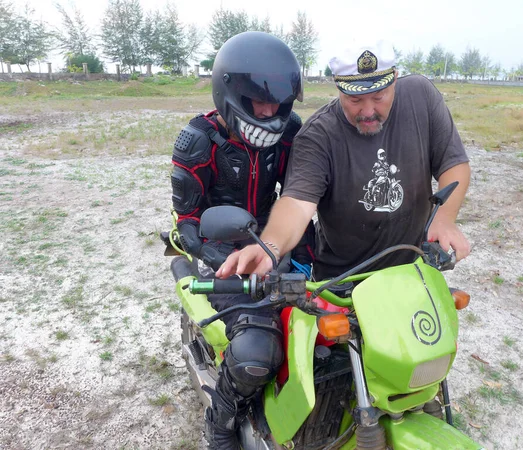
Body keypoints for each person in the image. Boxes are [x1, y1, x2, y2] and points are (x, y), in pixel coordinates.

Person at [217, 39, 471, 283]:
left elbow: (453, 163)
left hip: (412, 272)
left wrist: (445, 218)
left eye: (379, 96)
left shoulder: (421, 97)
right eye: (355, 100)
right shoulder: (317, 136)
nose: (369, 111)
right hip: (341, 282)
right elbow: (297, 202)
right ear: (339, 88)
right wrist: (270, 245)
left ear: (394, 79)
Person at [170, 31, 313, 449]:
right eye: (258, 102)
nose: (270, 111)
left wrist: (301, 253)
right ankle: (219, 426)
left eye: (278, 102)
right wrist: (228, 259)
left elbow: (297, 197)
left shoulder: (290, 132)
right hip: (219, 249)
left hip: (272, 242)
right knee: (256, 354)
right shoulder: (200, 139)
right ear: (230, 92)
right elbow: (189, 224)